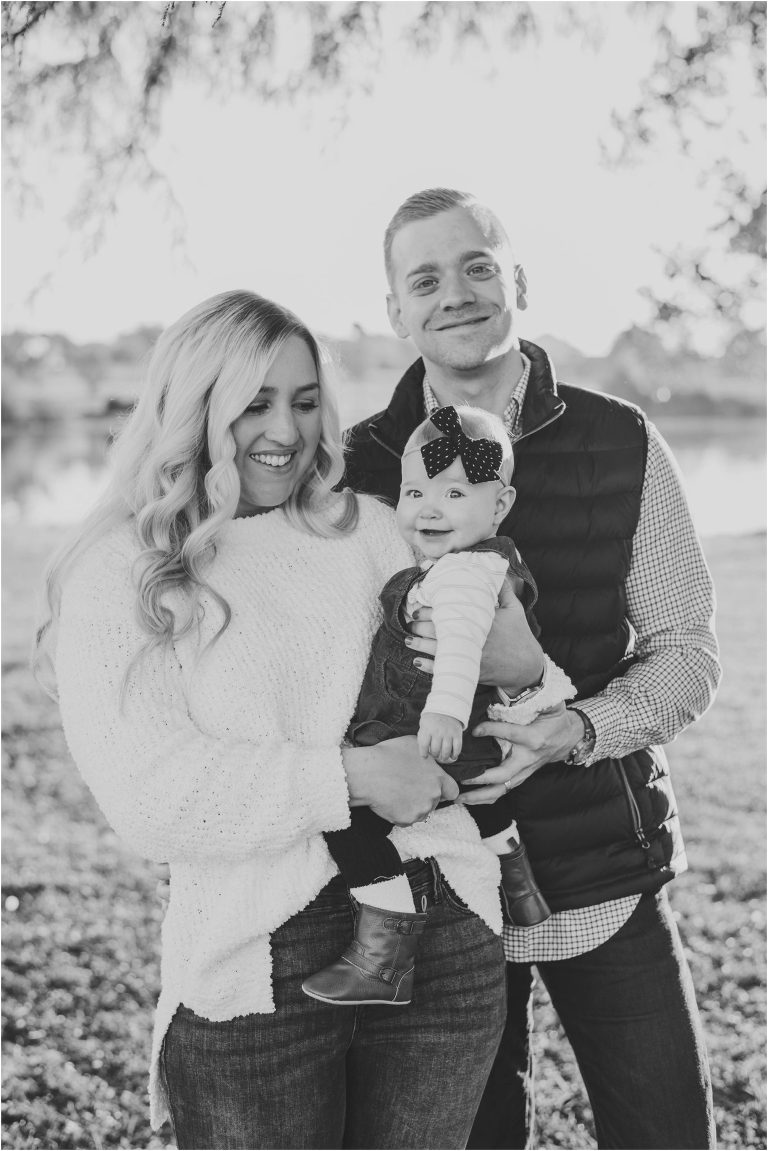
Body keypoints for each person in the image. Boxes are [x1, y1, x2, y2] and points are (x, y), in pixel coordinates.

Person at [34, 289, 546, 1150]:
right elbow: (151, 794)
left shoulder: (374, 530)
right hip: (258, 954)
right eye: (254, 403)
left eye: (306, 401)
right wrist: (347, 778)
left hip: (446, 924)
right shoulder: (127, 570)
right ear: (193, 408)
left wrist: (523, 680)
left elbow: (475, 669)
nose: (287, 428)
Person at [342, 188, 721, 1150]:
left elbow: (687, 651)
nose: (456, 294)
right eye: (424, 278)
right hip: (443, 880)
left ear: (517, 279)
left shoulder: (621, 438)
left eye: (478, 265)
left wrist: (575, 726)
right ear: (395, 310)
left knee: (666, 1134)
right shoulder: (360, 462)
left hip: (603, 865)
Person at [303, 404, 574, 1008]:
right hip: (474, 737)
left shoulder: (463, 577)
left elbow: (457, 654)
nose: (428, 507)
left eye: (454, 492)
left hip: (429, 731)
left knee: (348, 820)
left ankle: (384, 953)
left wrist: (443, 715)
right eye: (415, 490)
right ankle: (517, 879)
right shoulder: (477, 561)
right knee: (483, 798)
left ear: (499, 506)